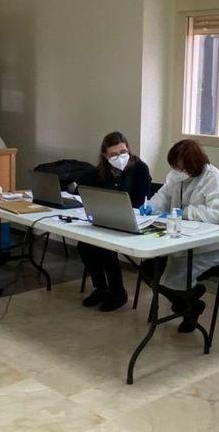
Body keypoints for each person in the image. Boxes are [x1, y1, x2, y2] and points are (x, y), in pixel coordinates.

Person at [140, 139, 219, 332]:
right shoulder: (177, 176)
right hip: (180, 241)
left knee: (175, 275)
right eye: (175, 167)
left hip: (212, 248)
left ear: (193, 164)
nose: (177, 171)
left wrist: (184, 213)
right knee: (148, 269)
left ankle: (189, 305)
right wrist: (150, 207)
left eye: (181, 167)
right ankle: (191, 302)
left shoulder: (215, 181)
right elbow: (163, 197)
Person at [74, 131, 151, 311]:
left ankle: (118, 292)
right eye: (113, 154)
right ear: (105, 156)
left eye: (123, 152)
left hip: (132, 220)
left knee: (105, 247)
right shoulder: (101, 171)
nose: (119, 157)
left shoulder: (139, 168)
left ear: (128, 150)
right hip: (107, 219)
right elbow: (87, 188)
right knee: (84, 245)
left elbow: (141, 200)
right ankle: (101, 288)